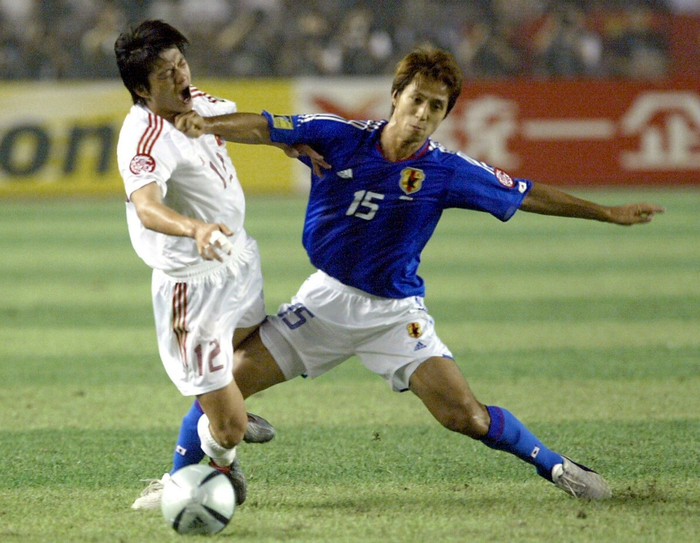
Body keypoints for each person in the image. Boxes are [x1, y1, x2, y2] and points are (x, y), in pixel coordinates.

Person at [143, 44, 664, 505]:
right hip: (323, 304)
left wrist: (606, 212)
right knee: (220, 384)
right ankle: (180, 482)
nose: (422, 114)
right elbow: (266, 125)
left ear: (444, 115)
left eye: (436, 107)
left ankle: (557, 466)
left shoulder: (446, 171)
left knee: (466, 417)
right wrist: (207, 125)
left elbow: (526, 194)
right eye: (416, 99)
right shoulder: (339, 136)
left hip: (394, 315)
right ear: (395, 97)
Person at [114, 19, 301, 511]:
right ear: (141, 89)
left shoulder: (193, 100)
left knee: (242, 349)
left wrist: (284, 140)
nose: (181, 77)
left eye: (181, 64)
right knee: (229, 425)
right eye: (165, 74)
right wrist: (194, 229)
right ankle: (211, 455)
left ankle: (213, 419)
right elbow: (147, 207)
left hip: (237, 259)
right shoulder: (143, 138)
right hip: (192, 286)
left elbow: (239, 121)